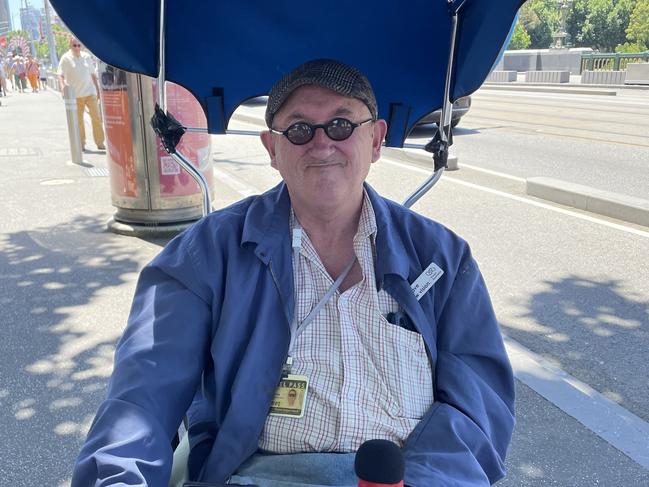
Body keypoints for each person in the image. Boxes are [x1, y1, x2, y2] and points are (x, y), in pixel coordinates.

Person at [71, 59, 515, 487]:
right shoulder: (205, 255)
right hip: (258, 475)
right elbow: (142, 396)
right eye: (299, 130)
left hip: (405, 479)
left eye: (342, 125)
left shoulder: (442, 258)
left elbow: (478, 407)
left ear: (376, 140)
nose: (322, 145)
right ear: (272, 149)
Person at [57, 37, 105, 151]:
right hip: (75, 95)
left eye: (79, 45)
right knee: (78, 121)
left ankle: (100, 142)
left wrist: (97, 90)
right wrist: (63, 87)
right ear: (70, 46)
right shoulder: (65, 58)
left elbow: (93, 74)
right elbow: (60, 74)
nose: (77, 48)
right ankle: (81, 143)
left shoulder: (87, 57)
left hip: (90, 92)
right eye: (74, 45)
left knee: (96, 118)